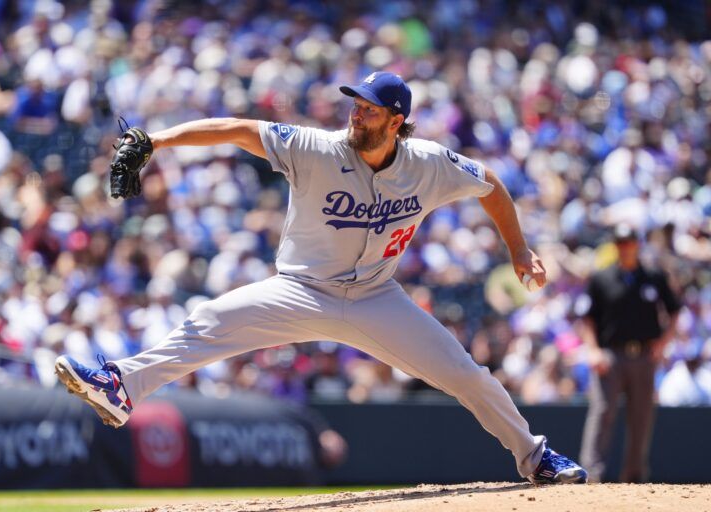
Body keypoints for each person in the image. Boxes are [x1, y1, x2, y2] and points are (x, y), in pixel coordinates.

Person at [55, 72, 587, 484]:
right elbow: (240, 129)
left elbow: (491, 185)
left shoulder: (430, 163)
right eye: (355, 105)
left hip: (378, 297)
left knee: (467, 376)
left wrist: (519, 249)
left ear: (395, 122)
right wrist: (157, 142)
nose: (356, 115)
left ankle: (536, 457)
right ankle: (122, 385)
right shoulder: (315, 147)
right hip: (301, 290)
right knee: (211, 318)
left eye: (369, 109)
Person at [579, 223, 681, 483]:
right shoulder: (602, 278)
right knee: (603, 412)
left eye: (630, 242)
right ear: (615, 246)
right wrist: (592, 350)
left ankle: (635, 475)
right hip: (611, 355)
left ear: (637, 244)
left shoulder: (653, 277)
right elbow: (588, 318)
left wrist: (663, 343)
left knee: (642, 415)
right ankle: (592, 474)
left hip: (645, 355)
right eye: (621, 243)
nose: (626, 247)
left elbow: (675, 310)